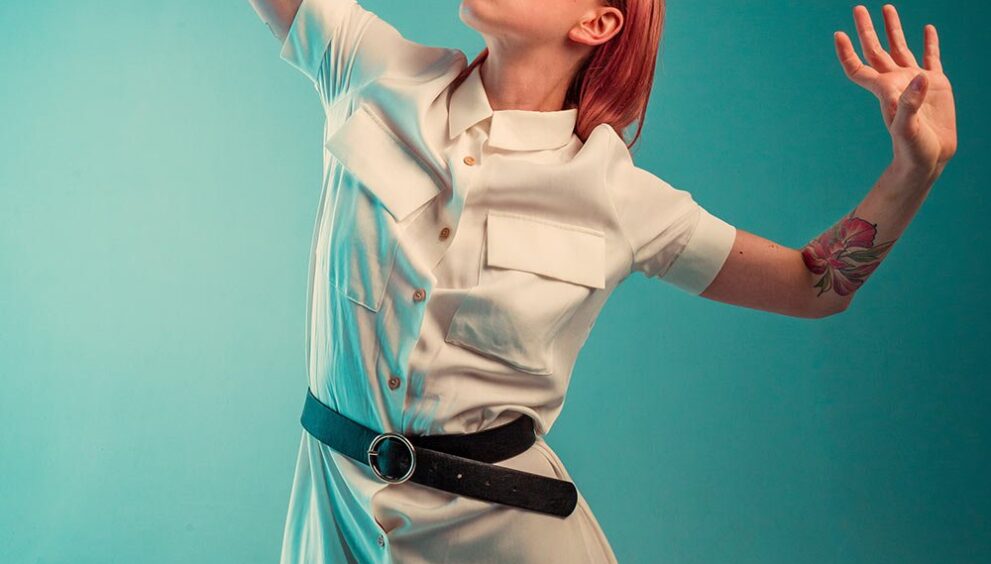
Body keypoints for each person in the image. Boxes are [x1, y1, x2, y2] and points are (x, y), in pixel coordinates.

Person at [247, 0, 957, 561]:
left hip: (507, 531)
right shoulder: (371, 73)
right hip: (333, 513)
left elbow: (813, 287)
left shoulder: (618, 196)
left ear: (596, 23)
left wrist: (912, 172)